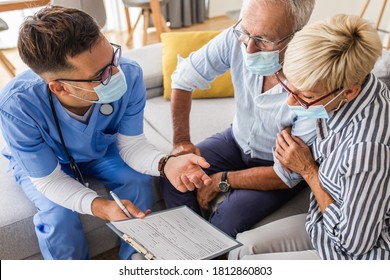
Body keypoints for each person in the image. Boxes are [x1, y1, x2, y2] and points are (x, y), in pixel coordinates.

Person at [0, 5, 212, 260]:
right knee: (58, 215)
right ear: (59, 88)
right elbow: (48, 180)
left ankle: (133, 257)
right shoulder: (17, 105)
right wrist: (100, 207)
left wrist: (166, 164)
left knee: (137, 182)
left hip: (100, 150)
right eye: (101, 74)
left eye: (113, 57)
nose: (116, 73)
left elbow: (133, 146)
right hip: (48, 163)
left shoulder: (130, 74)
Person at [229, 14, 390, 260]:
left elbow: (354, 244)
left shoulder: (367, 149)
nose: (291, 102)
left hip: (355, 254)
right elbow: (286, 167)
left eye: (304, 95)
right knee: (241, 247)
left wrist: (308, 171)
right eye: (290, 87)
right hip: (320, 224)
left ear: (349, 92)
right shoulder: (343, 91)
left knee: (248, 266)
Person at [160, 0, 317, 237]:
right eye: (245, 33)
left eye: (264, 40)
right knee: (175, 176)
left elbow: (287, 174)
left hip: (276, 166)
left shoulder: (315, 81)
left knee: (228, 218)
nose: (249, 48)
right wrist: (181, 141)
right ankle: (187, 250)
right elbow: (183, 79)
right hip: (236, 139)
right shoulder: (237, 37)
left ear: (296, 35)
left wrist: (221, 180)